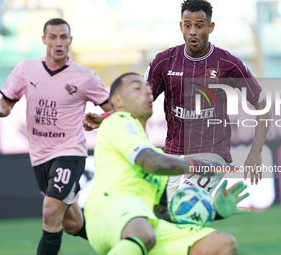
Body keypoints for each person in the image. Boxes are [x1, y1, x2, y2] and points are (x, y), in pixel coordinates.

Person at [83, 0, 271, 204]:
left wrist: (255, 153)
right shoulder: (164, 61)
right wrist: (106, 118)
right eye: (187, 25)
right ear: (181, 26)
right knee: (169, 218)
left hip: (211, 156)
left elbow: (262, 105)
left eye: (199, 26)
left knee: (184, 205)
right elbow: (137, 105)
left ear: (210, 27)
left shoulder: (228, 64)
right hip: (173, 157)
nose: (192, 31)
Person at [84, 72, 250, 255]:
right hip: (108, 209)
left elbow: (162, 213)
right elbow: (151, 163)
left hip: (146, 221)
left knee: (221, 244)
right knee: (142, 231)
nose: (147, 92)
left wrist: (213, 211)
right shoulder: (118, 122)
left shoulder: (157, 154)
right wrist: (198, 165)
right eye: (137, 88)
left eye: (148, 88)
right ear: (117, 101)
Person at [0, 18, 111, 255]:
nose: (59, 42)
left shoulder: (84, 76)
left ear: (70, 40)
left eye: (63, 37)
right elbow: (6, 103)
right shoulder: (26, 68)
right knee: (72, 224)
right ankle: (123, 242)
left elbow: (117, 108)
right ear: (44, 39)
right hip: (39, 157)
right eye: (53, 37)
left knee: (49, 213)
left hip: (70, 154)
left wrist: (103, 118)